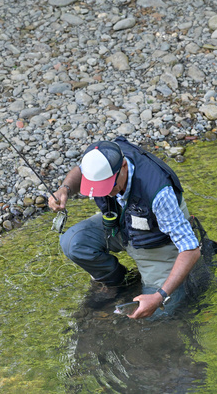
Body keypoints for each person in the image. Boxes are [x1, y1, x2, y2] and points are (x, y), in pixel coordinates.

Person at [48, 137, 201, 320]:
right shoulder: (103, 157)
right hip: (121, 225)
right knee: (73, 242)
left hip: (157, 242)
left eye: (108, 186)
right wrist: (64, 189)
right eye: (98, 188)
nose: (104, 193)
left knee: (154, 316)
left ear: (124, 168)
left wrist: (158, 296)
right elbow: (80, 171)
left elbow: (191, 249)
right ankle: (118, 282)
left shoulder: (159, 192)